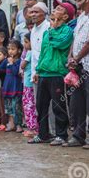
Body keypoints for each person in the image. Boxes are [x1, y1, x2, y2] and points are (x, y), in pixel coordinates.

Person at [29, 9, 73, 145]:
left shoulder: (67, 31)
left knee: (58, 106)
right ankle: (43, 134)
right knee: (41, 106)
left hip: (57, 74)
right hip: (43, 73)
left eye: (57, 17)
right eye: (52, 18)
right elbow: (43, 52)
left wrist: (53, 29)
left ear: (65, 17)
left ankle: (61, 135)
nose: (53, 21)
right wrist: (37, 70)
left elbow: (60, 44)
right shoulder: (46, 33)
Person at [65, 0, 89, 148]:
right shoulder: (81, 17)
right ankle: (78, 135)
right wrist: (71, 57)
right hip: (78, 66)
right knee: (77, 103)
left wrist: (77, 57)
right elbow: (75, 40)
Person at [29, 2, 50, 103]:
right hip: (35, 72)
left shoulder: (48, 27)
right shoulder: (33, 29)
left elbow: (46, 52)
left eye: (36, 12)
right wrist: (33, 72)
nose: (33, 14)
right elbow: (34, 53)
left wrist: (38, 70)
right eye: (32, 12)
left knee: (49, 105)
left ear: (44, 13)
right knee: (39, 104)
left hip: (46, 71)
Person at [2, 39, 24, 133]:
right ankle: (11, 124)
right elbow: (0, 69)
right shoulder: (6, 60)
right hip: (7, 88)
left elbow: (16, 72)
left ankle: (18, 124)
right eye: (9, 49)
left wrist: (11, 63)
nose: (10, 51)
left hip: (16, 88)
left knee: (17, 107)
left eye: (13, 49)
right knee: (8, 108)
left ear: (19, 50)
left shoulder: (20, 61)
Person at [21, 33, 38, 138]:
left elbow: (23, 65)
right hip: (31, 82)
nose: (24, 44)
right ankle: (34, 127)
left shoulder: (30, 52)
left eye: (26, 42)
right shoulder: (33, 53)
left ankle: (32, 128)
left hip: (28, 84)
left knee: (29, 106)